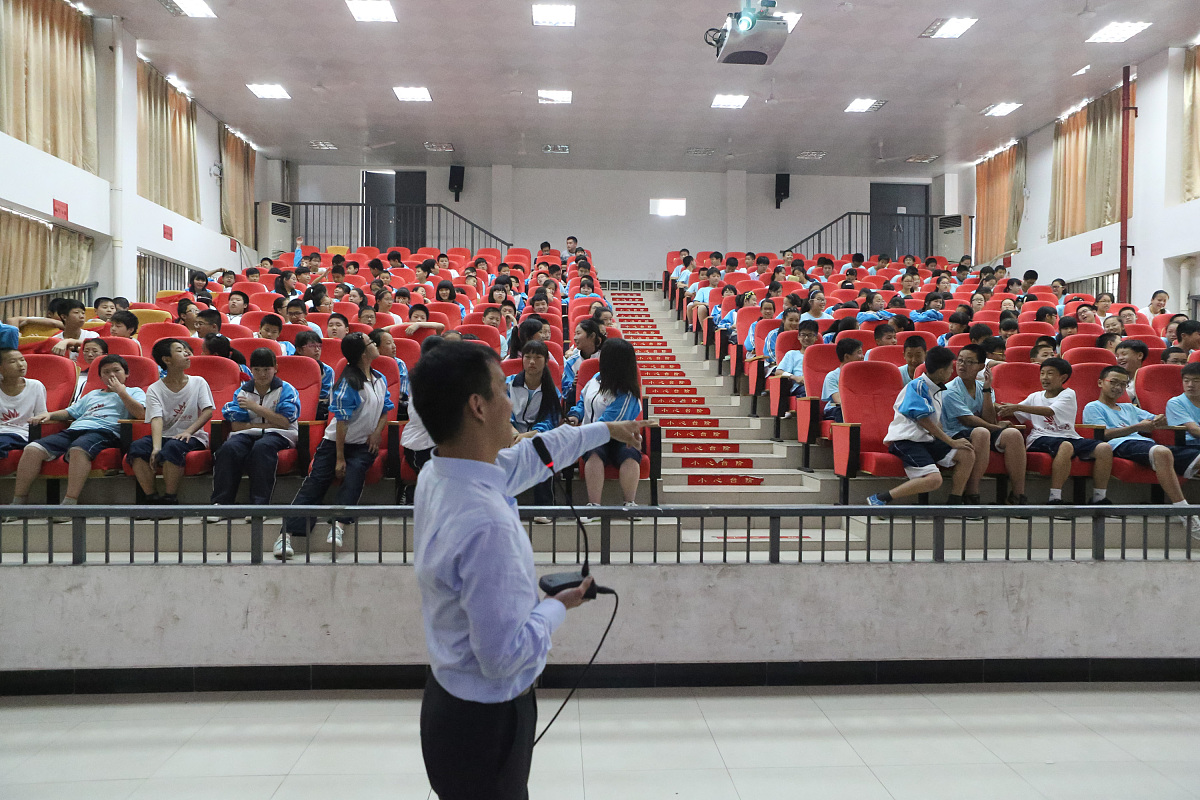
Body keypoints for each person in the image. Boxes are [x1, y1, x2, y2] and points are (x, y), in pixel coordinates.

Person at [412, 342, 642, 800]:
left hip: (446, 701)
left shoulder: (441, 473)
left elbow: (534, 454)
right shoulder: (486, 522)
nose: (510, 402)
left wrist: (604, 430)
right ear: (478, 407)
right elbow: (502, 657)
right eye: (502, 390)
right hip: (487, 718)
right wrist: (556, 607)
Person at [281, 333, 392, 556]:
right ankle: (286, 536)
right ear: (363, 354)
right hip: (335, 443)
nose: (375, 344)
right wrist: (340, 458)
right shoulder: (346, 385)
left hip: (362, 445)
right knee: (316, 482)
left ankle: (338, 525)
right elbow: (341, 423)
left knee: (355, 473)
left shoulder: (379, 378)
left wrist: (376, 434)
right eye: (371, 343)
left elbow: (385, 410)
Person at [10, 354, 146, 513]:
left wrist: (121, 393)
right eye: (106, 372)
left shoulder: (134, 392)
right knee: (32, 449)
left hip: (104, 432)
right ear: (100, 376)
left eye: (116, 370)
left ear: (126, 373)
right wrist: (50, 415)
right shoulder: (92, 394)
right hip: (74, 429)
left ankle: (69, 503)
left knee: (78, 450)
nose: (111, 375)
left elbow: (141, 414)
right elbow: (70, 412)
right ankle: (18, 502)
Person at [1084, 365, 1200, 531]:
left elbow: (1157, 421)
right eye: (1113, 382)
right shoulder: (1093, 407)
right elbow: (1102, 435)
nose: (1118, 388)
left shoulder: (1129, 407)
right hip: (1120, 445)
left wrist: (1160, 419)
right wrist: (1136, 427)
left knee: (1168, 453)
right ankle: (1183, 509)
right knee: (1161, 451)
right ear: (1101, 383)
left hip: (1144, 444)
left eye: (1123, 384)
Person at [867, 347, 976, 508]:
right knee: (934, 480)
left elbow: (935, 421)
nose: (952, 371)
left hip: (926, 440)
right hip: (906, 441)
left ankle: (954, 501)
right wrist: (951, 442)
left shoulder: (937, 387)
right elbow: (923, 420)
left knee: (966, 453)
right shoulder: (917, 386)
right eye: (949, 368)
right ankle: (881, 498)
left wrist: (950, 441)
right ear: (940, 371)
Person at [994, 357, 1112, 504]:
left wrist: (1017, 407)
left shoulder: (1069, 394)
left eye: (1050, 373)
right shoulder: (1034, 396)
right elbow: (1012, 412)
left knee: (1104, 448)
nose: (1044, 377)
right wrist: (993, 404)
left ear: (1063, 377)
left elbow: (1049, 411)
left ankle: (1099, 498)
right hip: (1040, 438)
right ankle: (1055, 498)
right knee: (1066, 446)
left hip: (1070, 436)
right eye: (1042, 373)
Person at [207, 348, 300, 530]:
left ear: (276, 368)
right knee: (228, 449)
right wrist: (264, 423)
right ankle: (221, 504)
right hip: (247, 434)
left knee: (262, 448)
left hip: (280, 435)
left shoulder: (287, 390)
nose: (262, 374)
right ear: (251, 370)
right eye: (257, 370)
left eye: (267, 369)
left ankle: (259, 506)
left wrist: (254, 409)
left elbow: (284, 422)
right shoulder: (242, 391)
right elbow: (236, 426)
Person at [127, 339, 215, 505]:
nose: (187, 354)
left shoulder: (198, 382)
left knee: (173, 447)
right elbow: (156, 418)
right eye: (180, 351)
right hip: (165, 436)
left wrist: (188, 431)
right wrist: (156, 447)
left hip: (193, 436)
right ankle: (151, 497)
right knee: (137, 448)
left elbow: (208, 411)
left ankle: (170, 498)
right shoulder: (155, 389)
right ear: (167, 359)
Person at [566, 338, 644, 518]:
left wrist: (583, 432)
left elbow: (607, 424)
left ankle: (629, 504)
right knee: (594, 453)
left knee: (629, 454)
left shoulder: (627, 394)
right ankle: (594, 506)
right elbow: (582, 402)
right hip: (593, 435)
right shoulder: (595, 379)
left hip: (618, 436)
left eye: (604, 355)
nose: (599, 357)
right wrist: (574, 416)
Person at [941, 345, 1028, 505]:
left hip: (982, 430)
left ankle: (1017, 495)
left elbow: (989, 419)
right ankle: (972, 493)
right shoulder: (949, 389)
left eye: (969, 362)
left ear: (981, 366)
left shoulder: (983, 387)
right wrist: (997, 427)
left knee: (1013, 435)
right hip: (956, 433)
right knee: (982, 432)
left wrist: (987, 389)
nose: (962, 365)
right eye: (960, 360)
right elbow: (967, 420)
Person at [507, 340, 562, 522]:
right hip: (508, 434)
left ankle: (545, 509)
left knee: (543, 453)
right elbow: (499, 413)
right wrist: (515, 433)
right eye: (527, 357)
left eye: (537, 357)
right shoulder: (508, 384)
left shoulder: (552, 392)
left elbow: (550, 422)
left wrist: (527, 436)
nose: (531, 362)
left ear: (546, 361)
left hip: (536, 437)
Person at [0, 348, 48, 464]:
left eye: (22, 360)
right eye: (12, 362)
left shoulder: (35, 386)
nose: (20, 364)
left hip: (21, 433)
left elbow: (41, 414)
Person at [772, 320, 819, 397]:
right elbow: (778, 372)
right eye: (803, 335)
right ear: (799, 336)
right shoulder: (792, 354)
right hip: (800, 387)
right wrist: (795, 377)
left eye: (810, 335)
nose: (806, 338)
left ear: (816, 337)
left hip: (819, 386)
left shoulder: (820, 355)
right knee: (808, 392)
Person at [294, 331, 335, 418]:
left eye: (319, 346)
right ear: (299, 350)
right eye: (312, 346)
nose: (317, 349)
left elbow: (325, 396)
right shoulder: (289, 366)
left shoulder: (326, 370)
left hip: (316, 407)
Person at [821, 339, 863, 422]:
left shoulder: (863, 375)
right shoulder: (832, 376)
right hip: (836, 409)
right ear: (847, 356)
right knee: (842, 412)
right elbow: (839, 400)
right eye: (859, 353)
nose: (862, 356)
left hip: (858, 407)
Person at [562, 318, 604, 401]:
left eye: (578, 333)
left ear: (592, 336)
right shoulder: (571, 362)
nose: (575, 338)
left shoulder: (605, 358)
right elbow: (565, 393)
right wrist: (573, 385)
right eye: (574, 334)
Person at [1114, 340, 1148, 404]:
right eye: (1117, 356)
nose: (1119, 358)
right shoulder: (1113, 378)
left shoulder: (1148, 379)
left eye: (1124, 354)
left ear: (1140, 355)